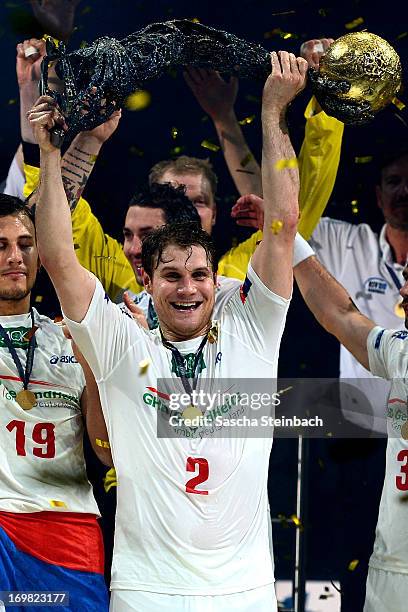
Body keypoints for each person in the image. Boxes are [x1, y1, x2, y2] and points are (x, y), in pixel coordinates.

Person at [30, 50, 307, 612]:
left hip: (245, 595)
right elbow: (58, 257)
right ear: (148, 283)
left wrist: (274, 113)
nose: (188, 288)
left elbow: (281, 230)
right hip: (145, 594)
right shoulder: (123, 343)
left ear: (217, 279)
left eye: (200, 274)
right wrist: (50, 151)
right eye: (172, 276)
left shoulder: (252, 331)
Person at [20, 37, 343, 297]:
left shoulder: (234, 279)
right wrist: (40, 101)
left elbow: (290, 213)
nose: (184, 211)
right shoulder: (113, 267)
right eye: (171, 200)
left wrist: (327, 99)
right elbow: (51, 214)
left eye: (197, 202)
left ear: (216, 214)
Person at [0, 194, 109, 611]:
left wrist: (94, 368)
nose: (16, 257)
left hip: (69, 530)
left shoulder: (69, 338)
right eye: (1, 245)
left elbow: (106, 452)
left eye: (25, 244)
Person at [292, 247, 408, 612]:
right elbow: (339, 314)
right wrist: (289, 237)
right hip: (391, 569)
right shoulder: (400, 353)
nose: (402, 294)